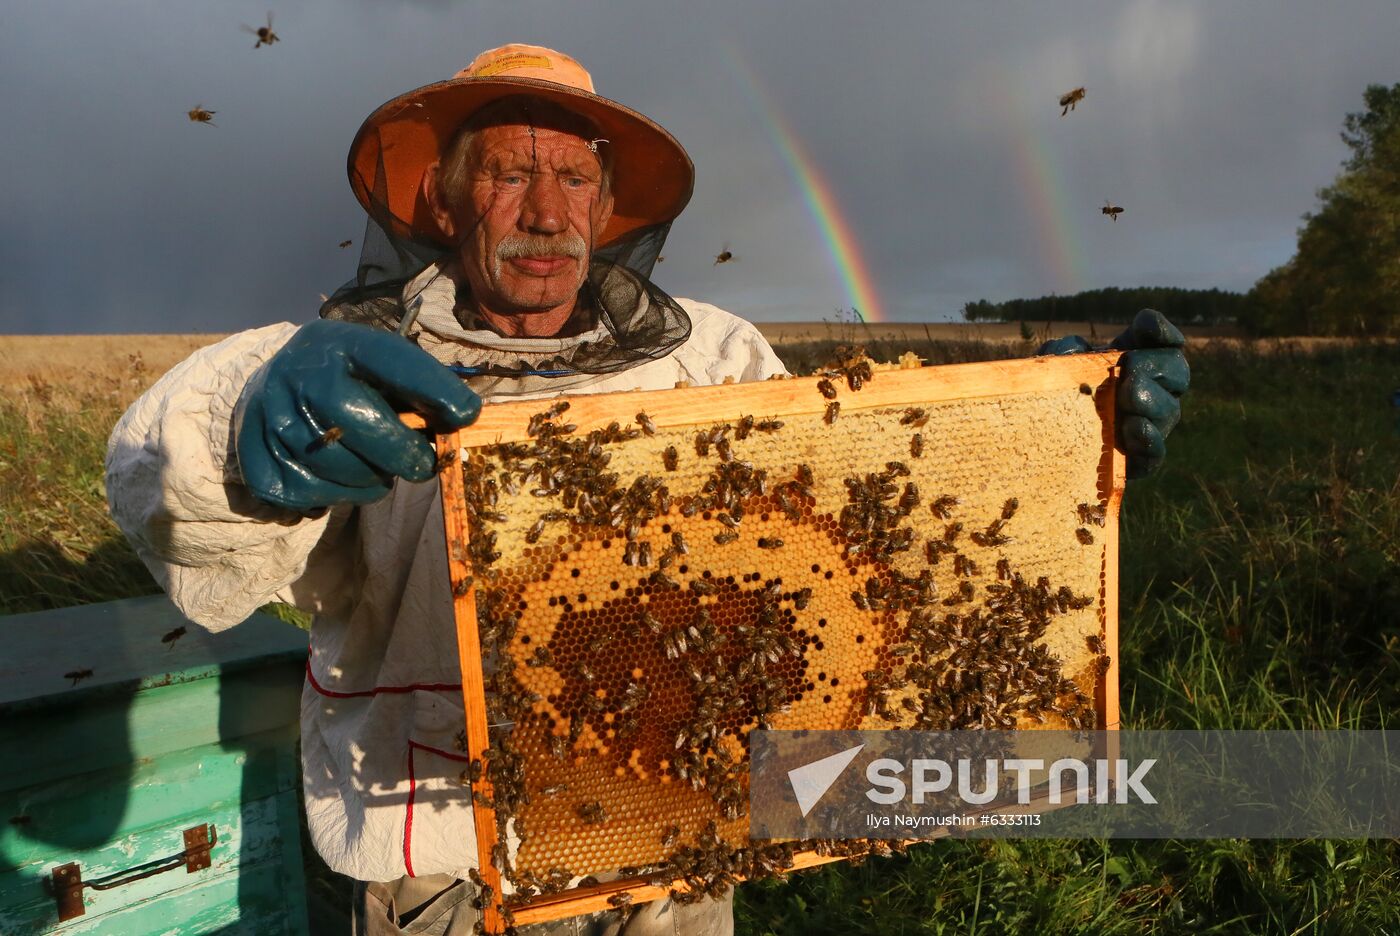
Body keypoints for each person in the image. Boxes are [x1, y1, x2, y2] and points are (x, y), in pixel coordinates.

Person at [105, 44, 1188, 936]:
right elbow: (179, 499)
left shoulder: (710, 356)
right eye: (507, 173)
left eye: (574, 177)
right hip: (438, 844)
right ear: (441, 198)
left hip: (679, 826)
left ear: (610, 206)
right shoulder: (352, 362)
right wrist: (239, 438)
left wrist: (1048, 424)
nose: (544, 209)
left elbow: (848, 517)